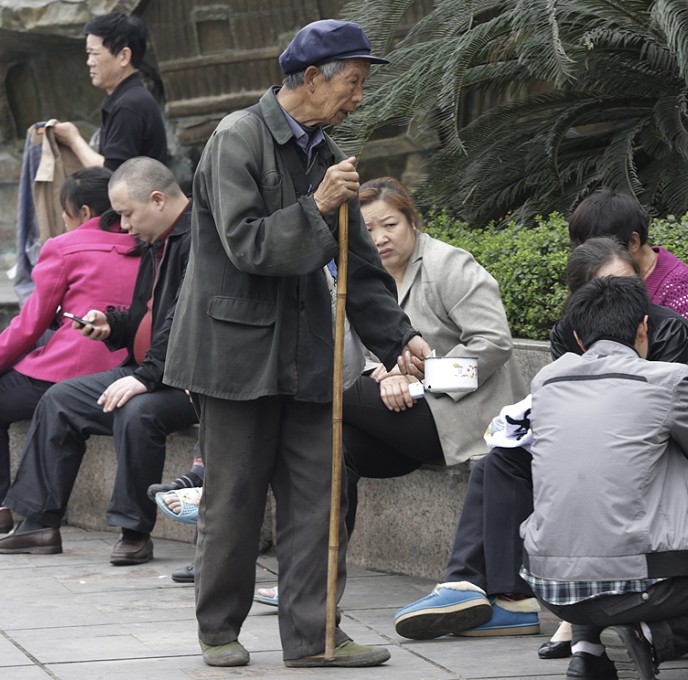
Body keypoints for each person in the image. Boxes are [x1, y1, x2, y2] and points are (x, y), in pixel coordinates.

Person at [163, 20, 431, 669]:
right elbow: (246, 245)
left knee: (320, 496)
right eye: (352, 83)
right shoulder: (236, 138)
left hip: (306, 356)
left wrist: (399, 337)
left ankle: (315, 636)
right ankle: (220, 629)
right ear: (311, 79)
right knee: (235, 497)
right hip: (235, 357)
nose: (358, 98)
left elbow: (358, 263)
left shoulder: (324, 149)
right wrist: (314, 205)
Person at [392, 238, 688, 655]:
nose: (619, 298)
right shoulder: (569, 333)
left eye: (628, 284)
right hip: (592, 443)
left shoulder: (666, 327)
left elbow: (661, 419)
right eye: (604, 288)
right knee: (499, 463)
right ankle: (493, 592)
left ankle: (565, 619)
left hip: (653, 457)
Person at [521, 275, 688, 680]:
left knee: (594, 522)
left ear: (579, 339)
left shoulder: (547, 382)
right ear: (643, 329)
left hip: (548, 583)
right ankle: (651, 637)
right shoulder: (666, 381)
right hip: (632, 579)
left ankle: (587, 650)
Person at [0, 157, 196, 564]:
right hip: (151, 370)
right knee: (61, 398)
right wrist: (111, 323)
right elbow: (148, 315)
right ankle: (38, 522)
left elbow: (186, 322)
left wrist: (145, 377)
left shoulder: (199, 239)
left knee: (136, 411)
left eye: (127, 214)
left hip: (190, 380)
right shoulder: (155, 242)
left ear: (157, 200)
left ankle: (134, 532)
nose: (123, 227)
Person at [342, 176, 528, 535]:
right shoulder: (363, 280)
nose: (380, 237)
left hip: (463, 421)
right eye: (368, 230)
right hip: (399, 424)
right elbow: (358, 353)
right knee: (331, 449)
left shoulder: (449, 265)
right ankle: (318, 579)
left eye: (390, 225)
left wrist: (424, 377)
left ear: (412, 221)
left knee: (326, 388)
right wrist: (384, 373)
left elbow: (494, 343)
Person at [0, 167, 140, 534]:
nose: (63, 220)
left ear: (83, 213)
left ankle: (2, 506)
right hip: (133, 373)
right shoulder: (150, 243)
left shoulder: (63, 247)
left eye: (65, 212)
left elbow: (29, 326)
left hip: (66, 376)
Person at [568, 188, 688, 351]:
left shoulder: (683, 293)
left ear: (633, 242)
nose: (587, 257)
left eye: (599, 247)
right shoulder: (597, 279)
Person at [53, 13, 168, 172]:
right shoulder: (128, 98)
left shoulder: (129, 106)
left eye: (95, 53)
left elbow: (114, 175)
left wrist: (73, 139)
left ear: (124, 56)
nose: (89, 62)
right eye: (88, 54)